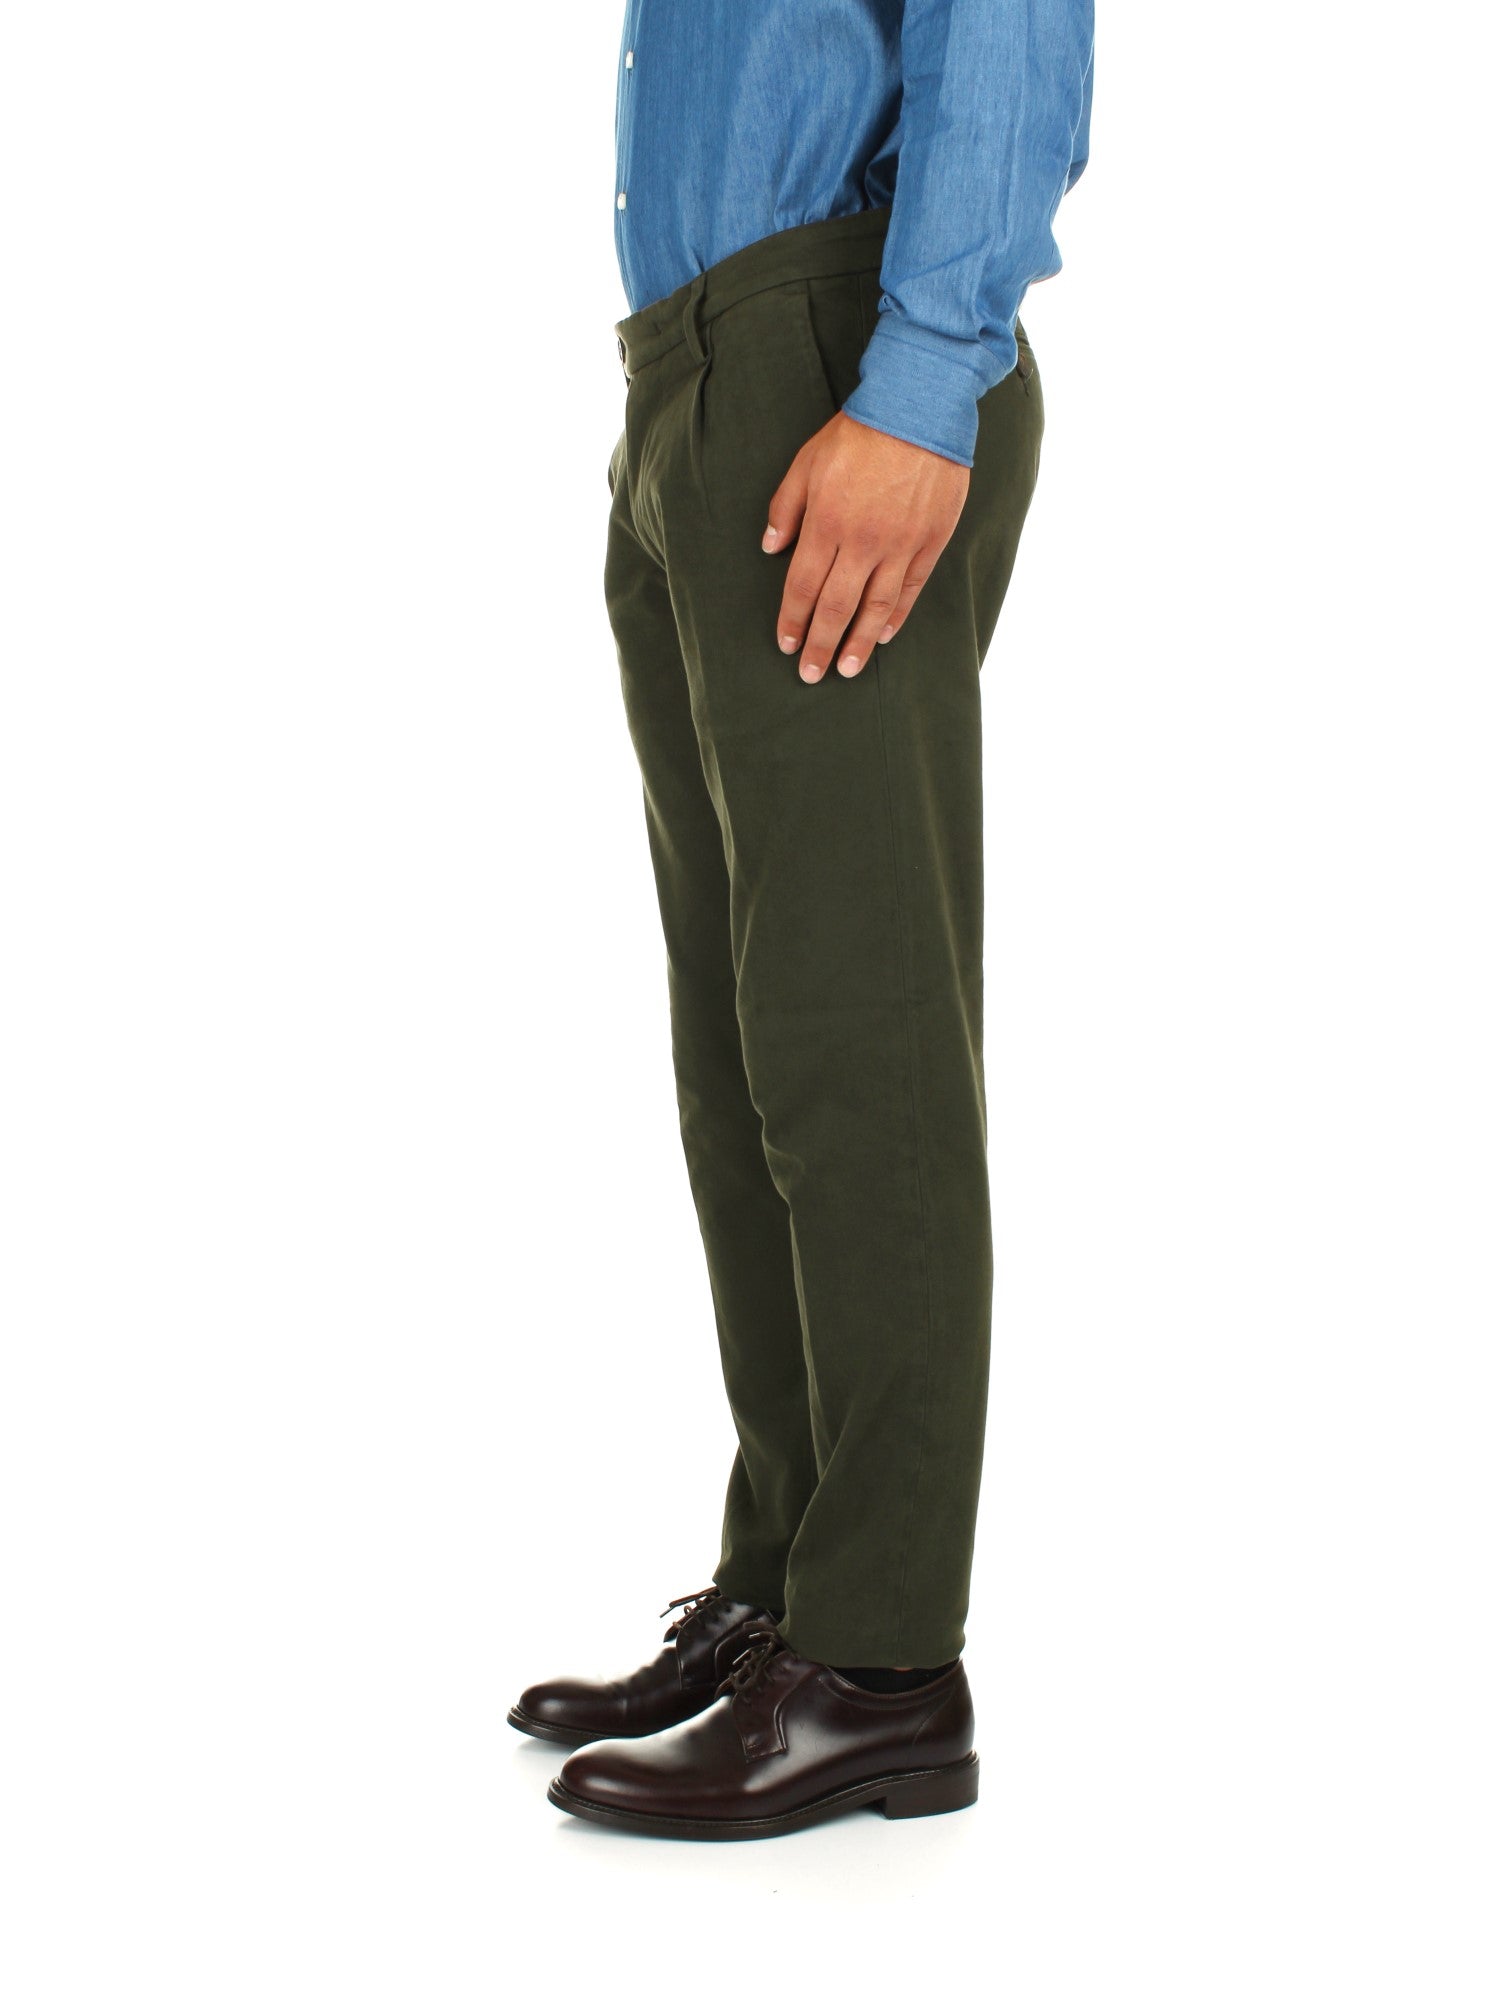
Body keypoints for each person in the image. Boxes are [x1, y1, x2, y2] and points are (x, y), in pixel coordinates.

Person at [510, 0, 1094, 1840]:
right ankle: (788, 1588)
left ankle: (883, 1664)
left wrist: (921, 378)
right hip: (697, 369)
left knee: (856, 1037)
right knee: (746, 1054)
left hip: (832, 359)